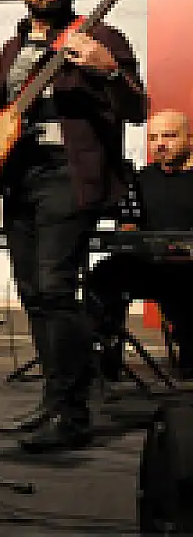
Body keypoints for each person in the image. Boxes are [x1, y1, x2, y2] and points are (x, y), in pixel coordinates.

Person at [0, 0, 147, 453]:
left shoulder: (101, 36)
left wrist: (108, 70)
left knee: (56, 287)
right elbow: (11, 115)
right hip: (21, 177)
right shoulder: (13, 47)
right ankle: (53, 399)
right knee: (32, 292)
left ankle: (73, 411)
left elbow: (137, 109)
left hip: (70, 175)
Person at [86, 109, 193, 380]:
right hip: (152, 267)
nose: (160, 144)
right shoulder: (140, 180)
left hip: (188, 270)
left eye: (169, 136)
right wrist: (127, 233)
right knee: (103, 277)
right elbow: (129, 226)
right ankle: (104, 360)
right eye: (153, 138)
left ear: (190, 139)